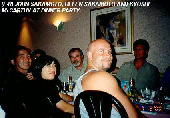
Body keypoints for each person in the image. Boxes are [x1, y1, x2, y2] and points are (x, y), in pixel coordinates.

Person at [74, 39, 141, 118]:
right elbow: (133, 116)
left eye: (110, 52)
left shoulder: (82, 77)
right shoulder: (102, 77)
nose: (108, 55)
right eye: (101, 51)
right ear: (89, 55)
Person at [1, 45, 33, 118]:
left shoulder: (27, 78)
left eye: (28, 56)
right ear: (13, 61)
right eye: (22, 57)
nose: (27, 59)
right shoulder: (13, 80)